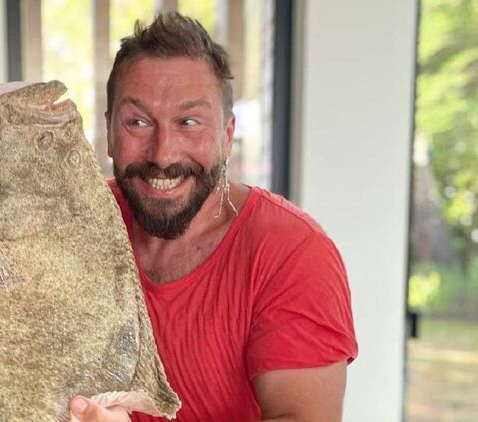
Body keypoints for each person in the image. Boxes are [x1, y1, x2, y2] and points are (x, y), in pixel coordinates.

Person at [68, 12, 358, 422]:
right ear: (110, 133)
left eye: (189, 122)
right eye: (138, 122)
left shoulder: (292, 252)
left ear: (226, 136)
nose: (162, 154)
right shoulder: (76, 223)